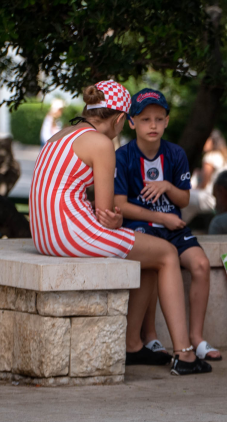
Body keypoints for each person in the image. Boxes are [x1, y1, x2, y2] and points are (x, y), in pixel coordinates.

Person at [28, 80, 208, 375]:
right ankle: (184, 354)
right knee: (165, 253)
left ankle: (133, 345)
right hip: (71, 233)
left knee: (148, 255)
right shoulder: (100, 143)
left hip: (46, 234)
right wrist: (112, 220)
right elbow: (105, 211)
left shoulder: (61, 134)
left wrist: (110, 219)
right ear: (122, 118)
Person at [112, 88, 222, 365]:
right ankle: (150, 337)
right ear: (132, 122)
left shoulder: (175, 154)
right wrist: (161, 218)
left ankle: (196, 339)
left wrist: (167, 186)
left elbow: (184, 198)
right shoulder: (123, 156)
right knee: (153, 263)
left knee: (200, 264)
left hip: (173, 226)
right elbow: (121, 205)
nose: (153, 125)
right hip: (141, 226)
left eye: (159, 119)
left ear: (167, 121)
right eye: (146, 119)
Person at [185, 129, 227, 220]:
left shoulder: (210, 157)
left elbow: (203, 184)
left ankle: (174, 227)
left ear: (212, 141)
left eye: (205, 139)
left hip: (212, 200)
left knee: (180, 197)